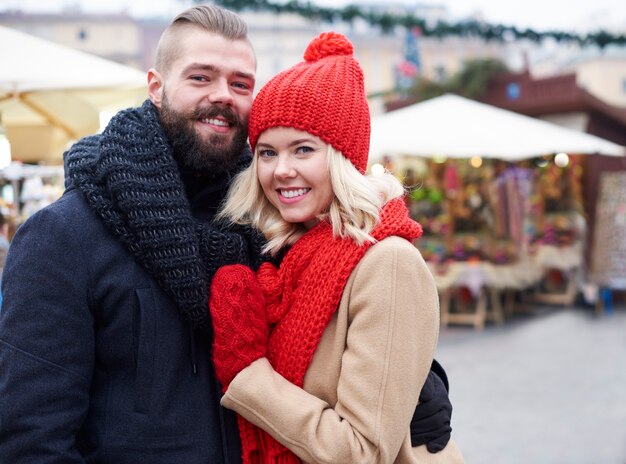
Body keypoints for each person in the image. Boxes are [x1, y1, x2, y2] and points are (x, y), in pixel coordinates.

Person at [0, 5, 452, 463]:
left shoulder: (268, 225)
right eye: (201, 77)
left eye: (240, 84)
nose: (224, 96)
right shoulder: (63, 236)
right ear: (156, 87)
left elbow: (338, 321)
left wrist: (418, 379)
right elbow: (31, 439)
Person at [208, 32, 464, 463]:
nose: (282, 170)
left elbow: (360, 451)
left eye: (303, 149)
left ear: (344, 159)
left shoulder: (388, 263)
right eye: (267, 153)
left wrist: (249, 375)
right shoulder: (287, 255)